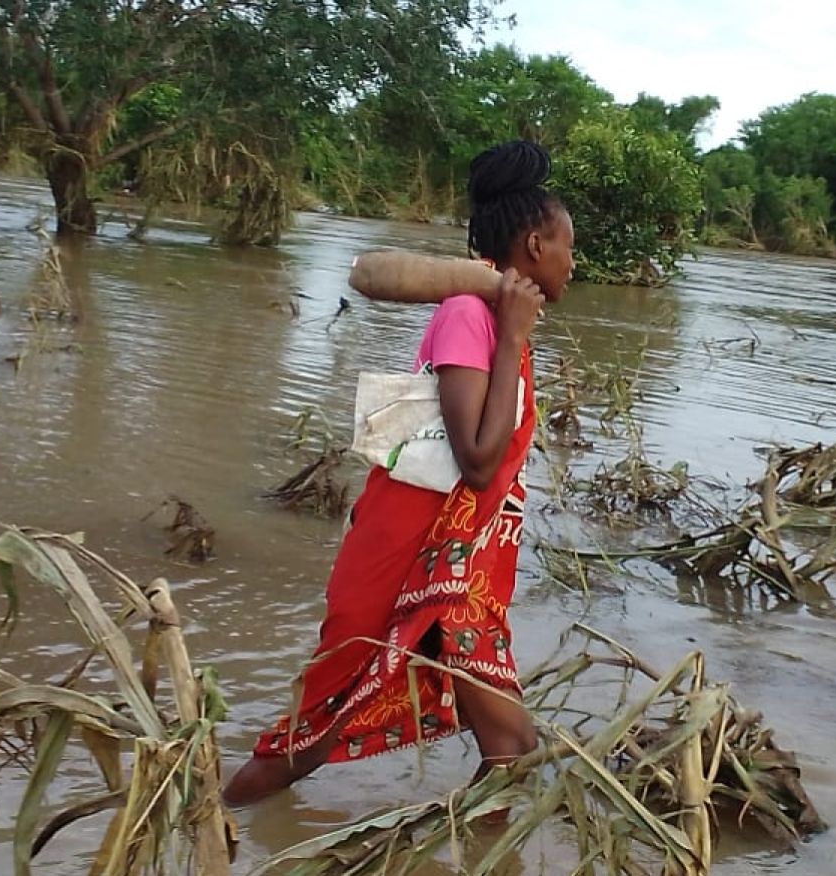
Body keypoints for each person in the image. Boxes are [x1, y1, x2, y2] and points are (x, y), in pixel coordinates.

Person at [223, 140, 575, 806]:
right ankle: (206, 828)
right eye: (566, 246)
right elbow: (476, 462)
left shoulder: (491, 314)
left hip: (454, 575)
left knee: (514, 751)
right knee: (313, 736)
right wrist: (515, 340)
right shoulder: (472, 315)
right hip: (406, 562)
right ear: (534, 246)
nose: (572, 262)